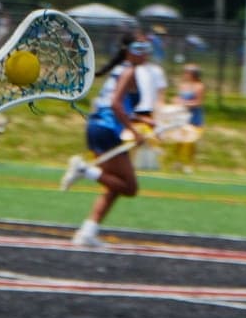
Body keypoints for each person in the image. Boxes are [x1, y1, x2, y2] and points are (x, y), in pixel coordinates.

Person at [59, 32, 153, 248]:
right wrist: (135, 132)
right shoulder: (129, 71)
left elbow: (118, 106)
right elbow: (115, 105)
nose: (145, 54)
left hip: (98, 127)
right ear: (128, 51)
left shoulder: (122, 70)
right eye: (140, 49)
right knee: (130, 187)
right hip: (106, 129)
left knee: (114, 185)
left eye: (147, 49)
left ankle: (87, 232)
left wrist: (144, 121)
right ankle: (84, 170)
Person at [168, 62, 206, 170]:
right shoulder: (183, 85)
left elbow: (198, 102)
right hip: (182, 116)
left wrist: (185, 103)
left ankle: (189, 164)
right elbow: (179, 98)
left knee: (191, 141)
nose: (184, 74)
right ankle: (177, 162)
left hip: (194, 117)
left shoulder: (199, 86)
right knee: (179, 140)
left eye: (187, 72)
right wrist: (176, 100)